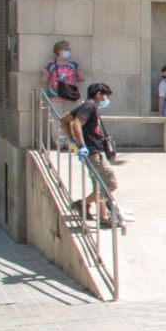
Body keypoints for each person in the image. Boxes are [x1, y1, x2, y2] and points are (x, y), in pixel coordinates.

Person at [60, 83, 118, 227]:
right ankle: (82, 203)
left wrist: (72, 141)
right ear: (98, 94)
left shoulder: (86, 105)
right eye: (105, 96)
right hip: (93, 152)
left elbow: (64, 119)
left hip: (95, 150)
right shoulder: (90, 106)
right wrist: (81, 145)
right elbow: (76, 123)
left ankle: (104, 218)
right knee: (111, 184)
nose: (106, 99)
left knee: (99, 186)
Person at [43, 40, 82, 118]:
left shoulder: (74, 63)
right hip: (56, 97)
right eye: (67, 49)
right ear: (59, 51)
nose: (69, 51)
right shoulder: (50, 64)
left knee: (69, 121)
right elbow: (45, 80)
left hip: (69, 97)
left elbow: (79, 77)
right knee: (57, 122)